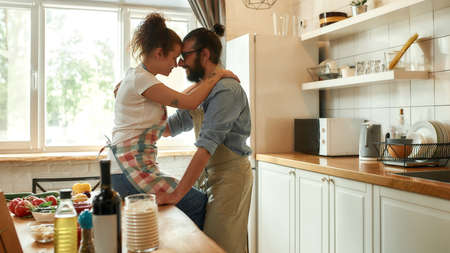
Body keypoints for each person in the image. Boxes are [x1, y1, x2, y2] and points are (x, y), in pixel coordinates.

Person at [106, 13, 237, 230]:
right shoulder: (142, 79)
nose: (177, 64)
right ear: (159, 53)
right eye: (174, 57)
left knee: (174, 210)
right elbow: (188, 101)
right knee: (197, 203)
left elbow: (178, 96)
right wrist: (217, 75)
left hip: (125, 166)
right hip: (128, 166)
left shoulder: (139, 77)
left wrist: (208, 79)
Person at [157, 24, 253, 253]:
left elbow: (205, 147)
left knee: (221, 248)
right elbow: (170, 128)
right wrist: (138, 99)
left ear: (205, 54)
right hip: (208, 177)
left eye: (185, 56)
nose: (180, 63)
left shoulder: (226, 91)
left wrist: (176, 193)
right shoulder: (203, 90)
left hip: (230, 180)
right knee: (205, 245)